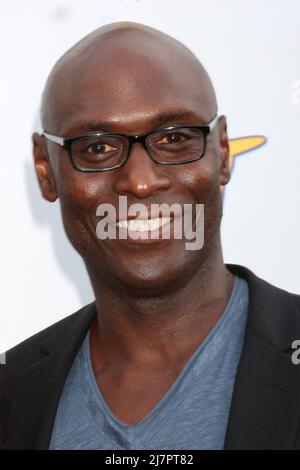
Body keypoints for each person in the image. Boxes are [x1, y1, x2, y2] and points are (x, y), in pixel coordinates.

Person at [1, 21, 300, 451]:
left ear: (224, 152)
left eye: (175, 138)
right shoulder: (11, 394)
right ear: (45, 170)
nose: (140, 182)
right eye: (97, 147)